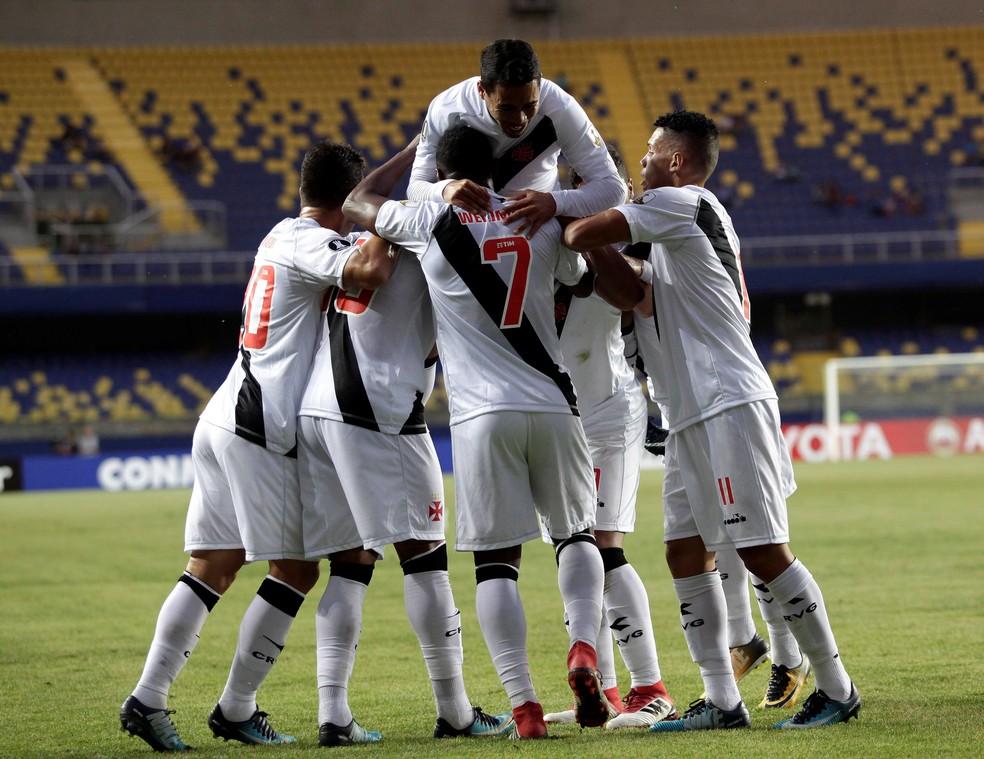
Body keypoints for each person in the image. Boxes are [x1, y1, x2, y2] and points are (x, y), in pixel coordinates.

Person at [563, 110, 861, 732]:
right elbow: (630, 293)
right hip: (688, 418)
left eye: (649, 151)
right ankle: (722, 701)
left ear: (675, 160)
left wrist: (566, 207)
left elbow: (584, 231)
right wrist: (589, 239)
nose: (642, 162)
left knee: (761, 550)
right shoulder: (671, 240)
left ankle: (837, 686)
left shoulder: (685, 201)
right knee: (683, 552)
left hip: (728, 403)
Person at [344, 123, 641, 739]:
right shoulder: (541, 219)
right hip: (554, 402)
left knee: (495, 565)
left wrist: (418, 166)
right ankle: (584, 649)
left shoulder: (428, 216)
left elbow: (357, 204)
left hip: (480, 416)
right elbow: (588, 281)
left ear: (442, 168)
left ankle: (526, 708)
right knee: (577, 535)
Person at [119, 139, 389, 752]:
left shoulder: (280, 234)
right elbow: (371, 268)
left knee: (212, 566)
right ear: (346, 200)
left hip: (227, 411)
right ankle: (236, 707)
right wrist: (396, 199)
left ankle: (148, 697)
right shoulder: (313, 243)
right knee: (294, 570)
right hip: (259, 423)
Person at [296, 140, 512, 744]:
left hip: (320, 403)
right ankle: (457, 711)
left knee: (353, 559)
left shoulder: (372, 222)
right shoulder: (433, 225)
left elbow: (362, 206)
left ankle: (333, 714)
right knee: (426, 556)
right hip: (378, 403)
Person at [543, 147, 677, 730]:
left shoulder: (638, 238)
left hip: (610, 411)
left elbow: (638, 302)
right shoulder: (544, 241)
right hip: (560, 416)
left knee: (605, 547)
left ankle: (653, 687)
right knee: (578, 551)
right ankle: (605, 693)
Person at [407, 38, 625, 239]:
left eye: (530, 106)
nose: (520, 118)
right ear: (482, 90)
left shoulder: (561, 108)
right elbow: (416, 187)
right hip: (465, 233)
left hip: (538, 232)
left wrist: (554, 202)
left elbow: (614, 188)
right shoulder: (447, 109)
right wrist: (444, 190)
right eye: (506, 108)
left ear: (540, 87)